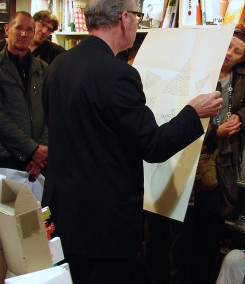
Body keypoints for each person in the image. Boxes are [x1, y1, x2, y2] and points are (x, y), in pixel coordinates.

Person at [41, 0, 223, 283]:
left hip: (64, 211)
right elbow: (153, 145)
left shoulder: (60, 63)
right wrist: (193, 113)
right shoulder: (118, 73)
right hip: (103, 222)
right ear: (124, 18)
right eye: (138, 17)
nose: (138, 25)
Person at [192, 24, 245, 284]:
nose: (229, 53)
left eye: (236, 50)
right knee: (191, 227)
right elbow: (184, 115)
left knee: (213, 225)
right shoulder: (200, 71)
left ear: (243, 57)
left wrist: (240, 118)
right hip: (195, 154)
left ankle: (206, 274)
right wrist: (214, 133)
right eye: (228, 45)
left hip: (225, 159)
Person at [0, 11, 48, 180]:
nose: (24, 34)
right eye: (19, 28)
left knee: (39, 207)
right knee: (7, 206)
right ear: (7, 29)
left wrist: (42, 151)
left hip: (39, 161)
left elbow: (50, 111)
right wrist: (32, 150)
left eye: (29, 29)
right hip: (6, 157)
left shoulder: (42, 68)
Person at [0, 10, 65, 65]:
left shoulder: (55, 51)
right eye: (42, 25)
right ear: (32, 23)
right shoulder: (2, 46)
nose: (45, 31)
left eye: (49, 29)